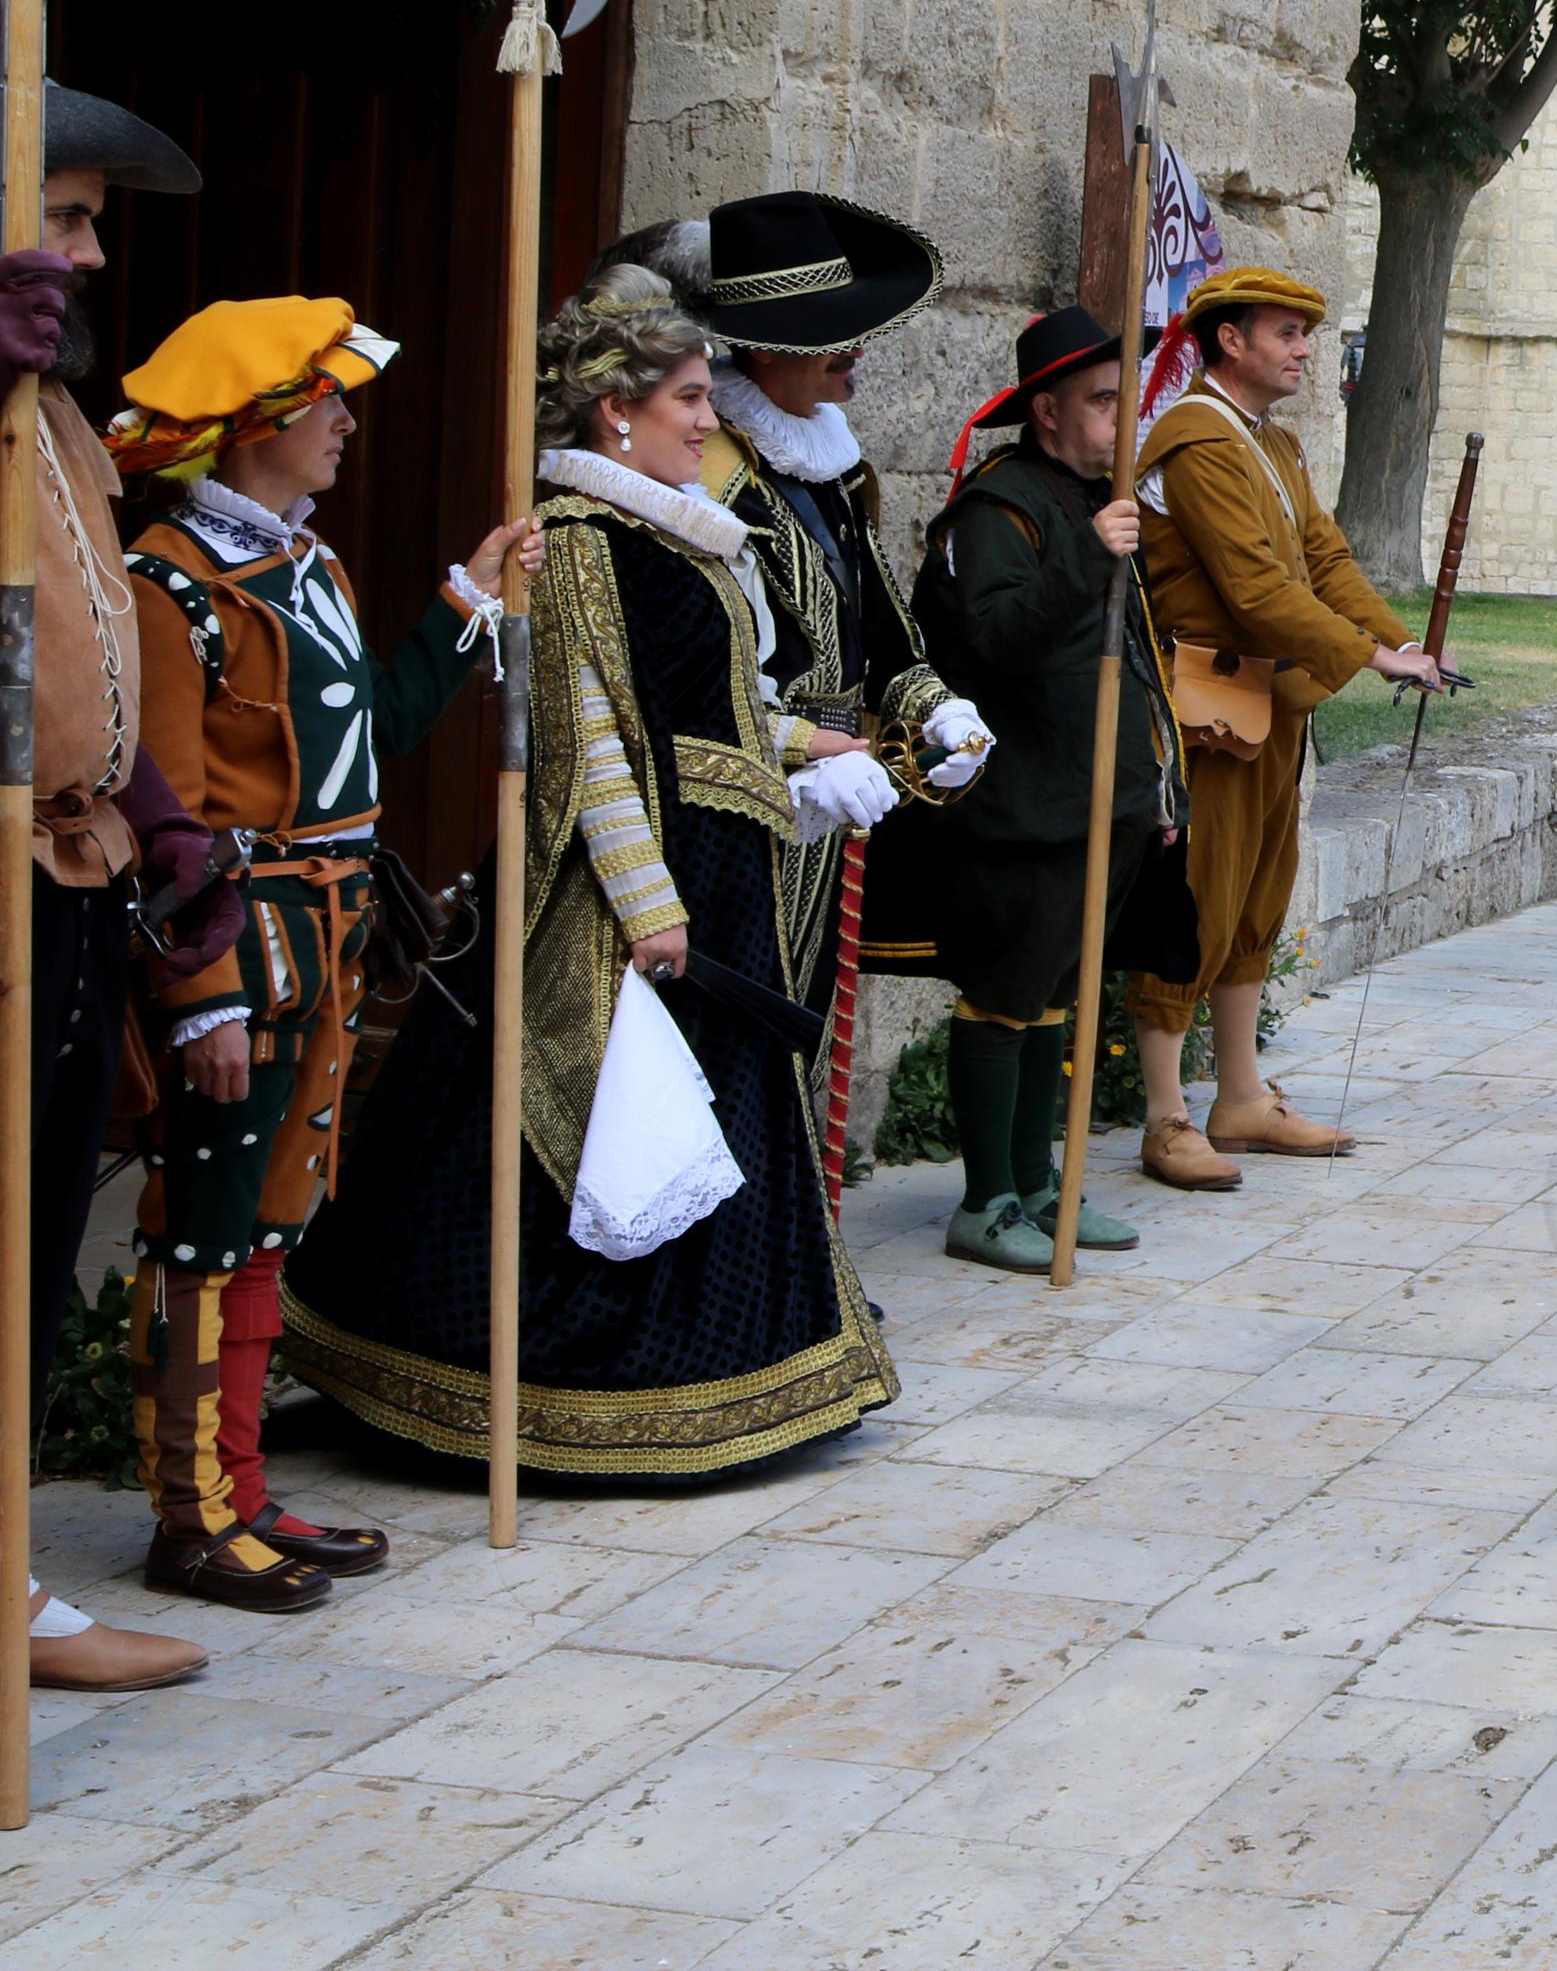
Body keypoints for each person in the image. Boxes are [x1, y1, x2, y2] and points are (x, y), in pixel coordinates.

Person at [281, 270, 901, 1474]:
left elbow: (704, 705)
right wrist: (649, 909)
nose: (707, 417)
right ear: (613, 411)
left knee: (719, 1116)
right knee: (586, 1123)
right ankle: (560, 1399)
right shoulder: (574, 543)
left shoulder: (677, 529)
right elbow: (589, 739)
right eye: (683, 397)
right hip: (630, 891)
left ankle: (735, 1375)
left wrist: (803, 743)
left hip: (727, 867)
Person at [108, 301, 537, 1610]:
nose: (348, 422)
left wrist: (469, 598)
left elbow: (388, 723)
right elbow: (165, 812)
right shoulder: (167, 581)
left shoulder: (313, 567)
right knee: (205, 1223)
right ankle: (190, 1513)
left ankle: (241, 1488)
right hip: (243, 945)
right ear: (259, 426)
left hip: (330, 939)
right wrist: (201, 996)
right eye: (327, 404)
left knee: (273, 1218)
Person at [613, 199, 994, 1211]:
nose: (854, 358)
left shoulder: (824, 461)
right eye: (831, 343)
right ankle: (753, 1256)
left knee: (813, 1019)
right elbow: (695, 669)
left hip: (838, 791)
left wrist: (933, 710)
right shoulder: (715, 477)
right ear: (767, 353)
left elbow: (877, 634)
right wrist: (801, 751)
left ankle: (802, 1251)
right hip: (741, 799)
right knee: (749, 1025)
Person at [0, 87, 239, 1691]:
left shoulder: (58, 416)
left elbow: (79, 634)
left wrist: (161, 815)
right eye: (64, 218)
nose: (88, 257)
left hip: (72, 873)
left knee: (27, 1238)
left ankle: (5, 1583)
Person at [866, 307, 1181, 1269]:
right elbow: (995, 643)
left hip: (1105, 803)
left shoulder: (1099, 500)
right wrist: (1092, 550)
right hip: (1027, 809)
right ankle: (987, 1199)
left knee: (1055, 997)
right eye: (1100, 402)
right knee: (1004, 997)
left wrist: (1159, 784)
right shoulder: (996, 510)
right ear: (1046, 413)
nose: (1120, 421)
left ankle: (1041, 1183)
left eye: (1128, 401)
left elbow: (1135, 662)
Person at [1131, 267, 1447, 1184]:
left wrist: (1403, 641)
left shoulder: (1274, 444)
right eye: (1288, 333)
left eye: (1306, 333)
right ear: (1230, 340)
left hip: (1268, 700)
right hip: (1204, 704)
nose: (1306, 349)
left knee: (1258, 897)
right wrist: (1370, 655)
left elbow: (1323, 557)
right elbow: (1254, 589)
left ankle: (1239, 1097)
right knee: (1196, 897)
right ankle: (1163, 1117)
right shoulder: (1197, 441)